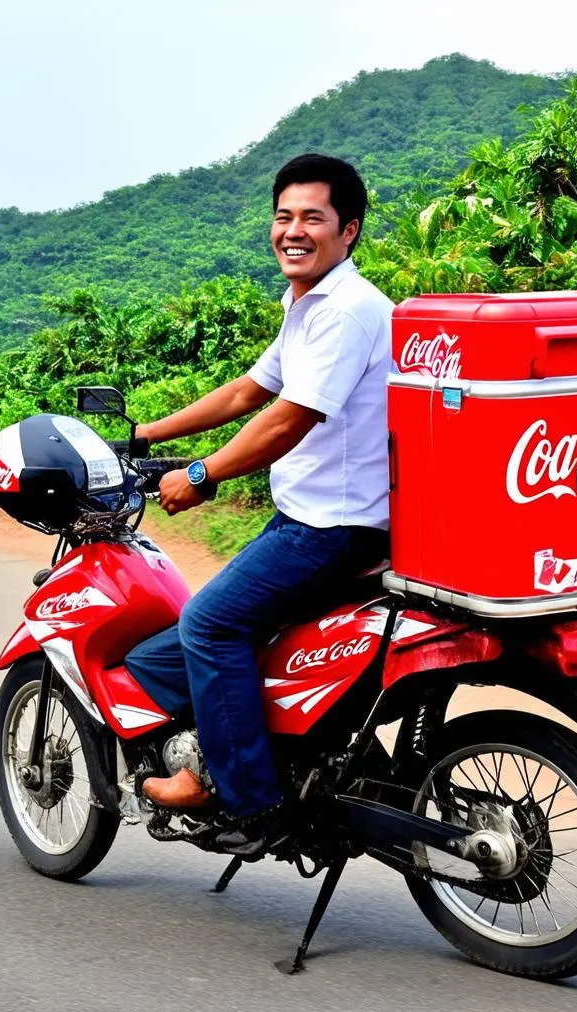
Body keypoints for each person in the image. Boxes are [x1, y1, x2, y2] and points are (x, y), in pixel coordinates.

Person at [125, 153, 393, 855]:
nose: (293, 230)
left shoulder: (347, 311)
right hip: (309, 521)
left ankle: (242, 796)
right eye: (283, 216)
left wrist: (201, 476)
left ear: (349, 231)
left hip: (331, 529)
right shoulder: (305, 305)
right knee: (160, 655)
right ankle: (263, 748)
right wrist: (144, 434)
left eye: (312, 217)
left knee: (210, 625)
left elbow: (288, 418)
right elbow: (249, 392)